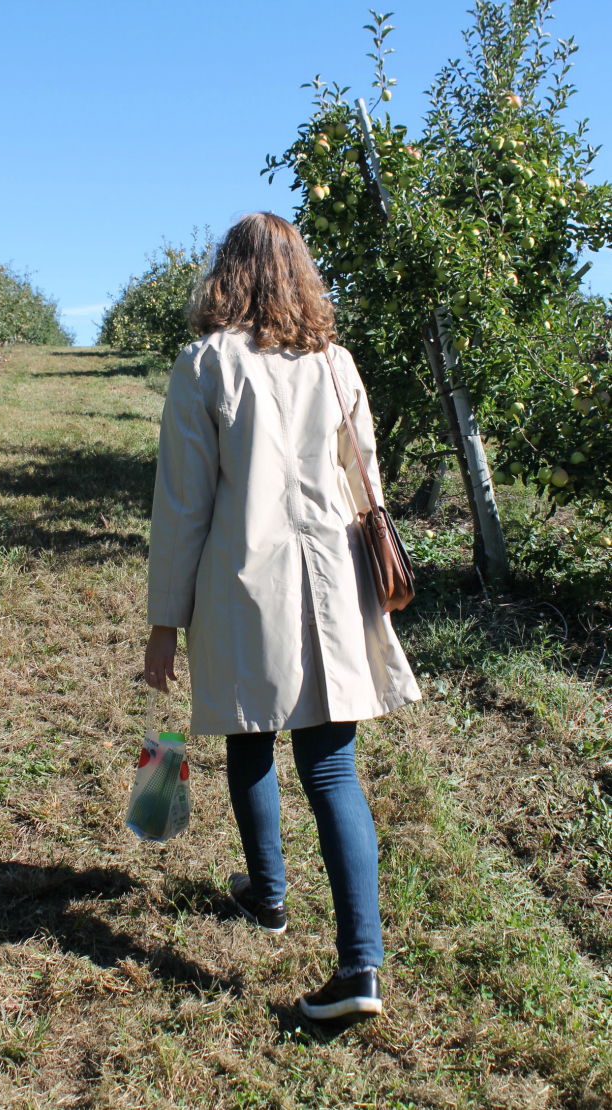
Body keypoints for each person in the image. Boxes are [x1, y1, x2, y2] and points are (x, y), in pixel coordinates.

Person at [144, 212, 420, 1021]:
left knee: (250, 735)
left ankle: (269, 895)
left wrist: (166, 621)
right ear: (301, 276)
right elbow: (364, 476)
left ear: (226, 274)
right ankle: (359, 967)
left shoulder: (205, 364)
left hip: (246, 581)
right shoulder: (335, 363)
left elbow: (183, 505)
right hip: (336, 581)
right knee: (333, 767)